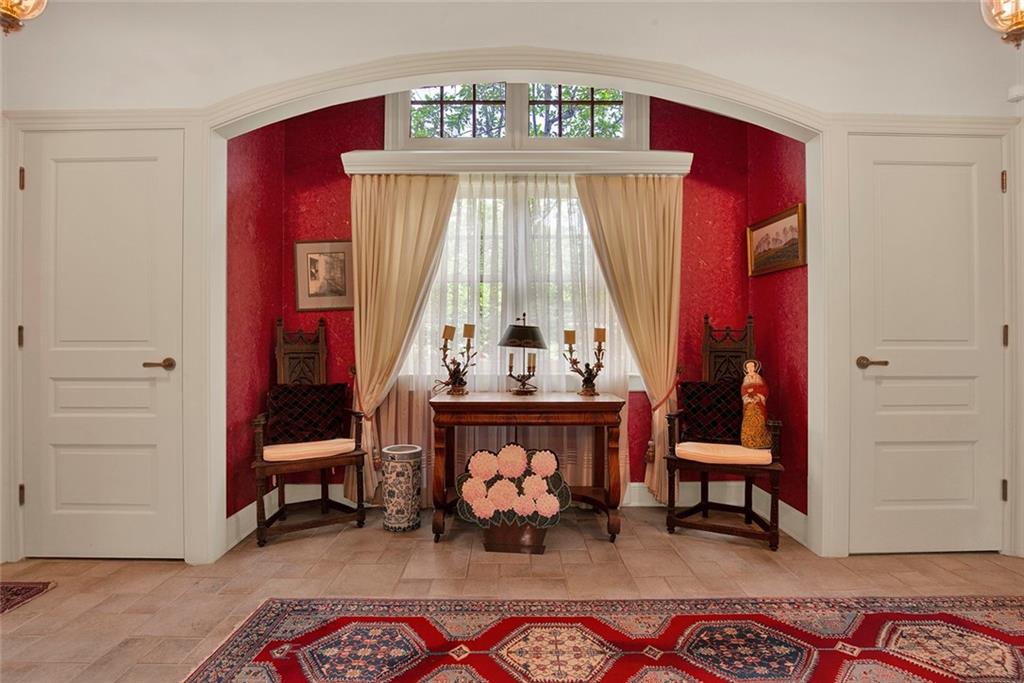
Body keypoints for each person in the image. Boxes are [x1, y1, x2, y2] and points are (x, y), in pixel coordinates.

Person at [740, 359, 772, 449]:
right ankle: (748, 441)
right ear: (746, 369)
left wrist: (758, 395)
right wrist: (748, 396)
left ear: (755, 368)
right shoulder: (745, 379)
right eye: (748, 367)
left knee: (760, 421)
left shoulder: (759, 378)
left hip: (758, 402)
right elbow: (743, 390)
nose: (750, 368)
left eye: (752, 366)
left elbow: (764, 389)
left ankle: (760, 441)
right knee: (748, 421)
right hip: (749, 404)